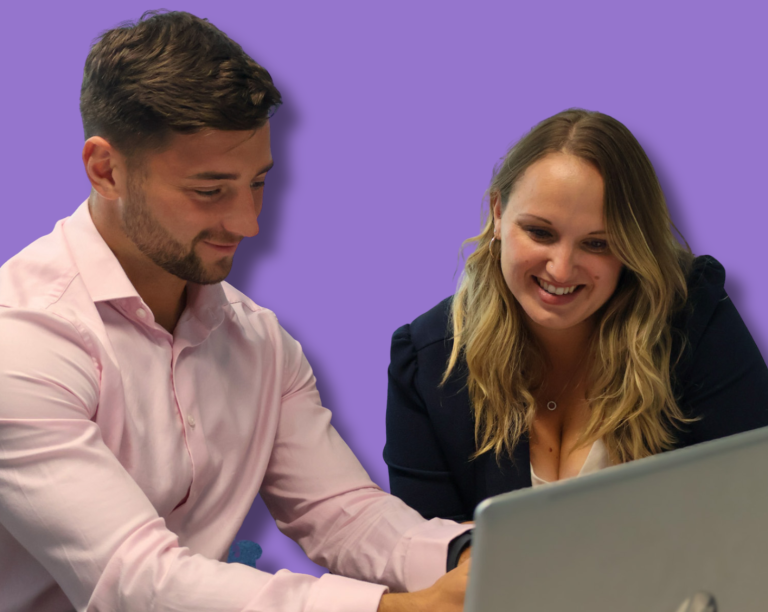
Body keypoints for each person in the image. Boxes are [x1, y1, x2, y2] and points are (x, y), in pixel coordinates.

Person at [0, 11, 471, 612]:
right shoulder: (21, 339)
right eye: (209, 191)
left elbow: (340, 512)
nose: (247, 222)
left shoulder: (260, 341)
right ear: (105, 169)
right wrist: (392, 609)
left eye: (257, 183)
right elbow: (133, 579)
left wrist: (471, 555)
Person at [385, 109, 768, 522]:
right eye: (540, 232)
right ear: (498, 213)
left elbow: (755, 506)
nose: (562, 269)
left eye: (598, 244)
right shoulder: (426, 362)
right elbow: (424, 555)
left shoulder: (692, 320)